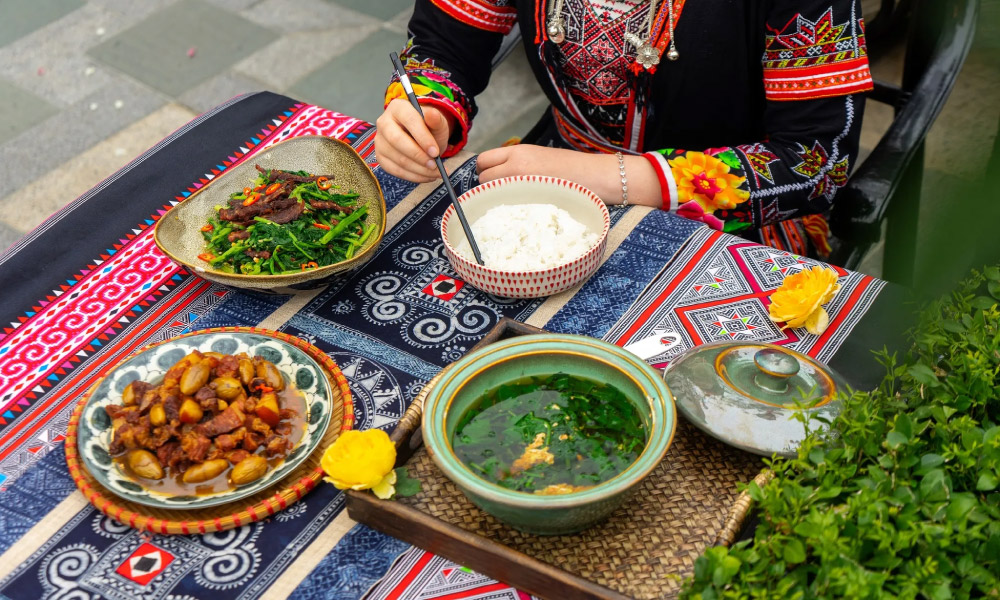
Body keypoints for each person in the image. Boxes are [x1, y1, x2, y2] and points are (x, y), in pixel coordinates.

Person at [374, 0, 873, 258]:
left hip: (732, 215)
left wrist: (608, 177)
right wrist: (426, 108)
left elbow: (817, 160)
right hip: (554, 171)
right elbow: (442, 48)